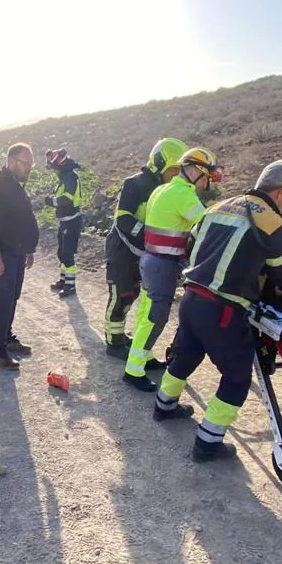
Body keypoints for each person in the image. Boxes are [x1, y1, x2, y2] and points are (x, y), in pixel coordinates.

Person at [152, 159, 282, 461]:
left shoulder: (219, 206)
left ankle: (164, 405)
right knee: (236, 377)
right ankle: (208, 443)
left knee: (185, 354)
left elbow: (191, 245)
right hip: (223, 309)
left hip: (191, 299)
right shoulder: (272, 222)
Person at [123, 146, 221, 392]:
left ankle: (142, 357)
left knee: (147, 312)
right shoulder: (183, 195)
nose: (205, 183)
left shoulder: (162, 189)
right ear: (196, 171)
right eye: (206, 177)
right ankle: (133, 371)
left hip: (151, 261)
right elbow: (208, 224)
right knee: (155, 316)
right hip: (163, 265)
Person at [103, 137, 188, 356]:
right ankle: (114, 342)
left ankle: (128, 341)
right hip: (122, 250)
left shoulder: (169, 190)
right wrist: (149, 235)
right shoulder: (135, 184)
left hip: (145, 254)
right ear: (159, 164)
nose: (177, 175)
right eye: (174, 169)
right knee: (120, 296)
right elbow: (123, 219)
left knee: (136, 297)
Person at [0, 143, 40, 370]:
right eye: (26, 164)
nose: (29, 169)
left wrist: (29, 249)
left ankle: (7, 337)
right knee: (2, 303)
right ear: (12, 161)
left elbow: (22, 220)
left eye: (31, 165)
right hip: (3, 254)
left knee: (12, 298)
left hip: (17, 253)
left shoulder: (15, 185)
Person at [43, 147, 83, 298]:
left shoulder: (71, 178)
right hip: (64, 221)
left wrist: (47, 200)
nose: (54, 171)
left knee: (67, 254)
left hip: (72, 221)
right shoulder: (65, 177)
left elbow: (66, 200)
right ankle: (63, 280)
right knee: (62, 252)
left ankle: (70, 286)